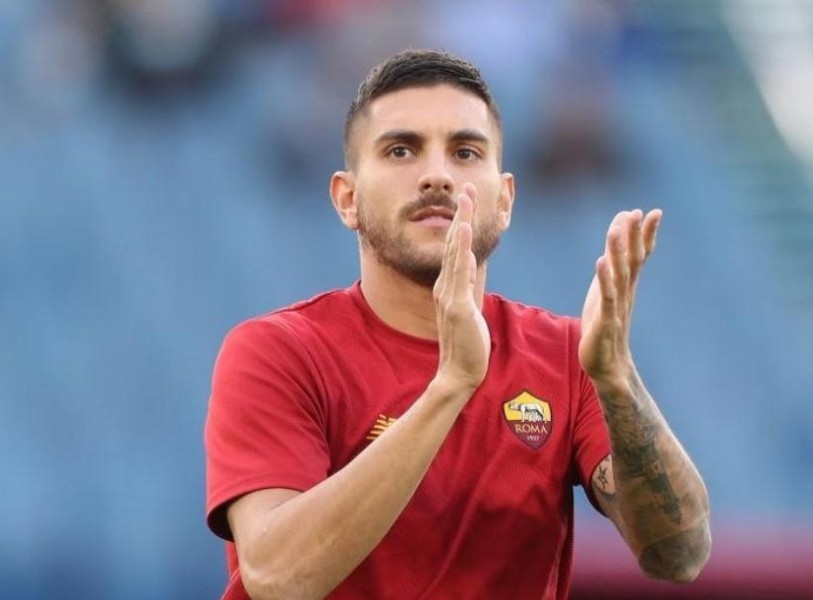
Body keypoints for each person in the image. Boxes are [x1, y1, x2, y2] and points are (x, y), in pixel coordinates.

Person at [204, 49, 711, 600]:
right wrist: (451, 386)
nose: (437, 176)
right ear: (347, 199)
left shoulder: (566, 357)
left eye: (466, 152)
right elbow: (279, 578)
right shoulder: (279, 352)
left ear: (506, 199)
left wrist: (618, 381)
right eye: (401, 150)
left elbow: (679, 553)